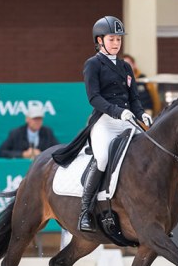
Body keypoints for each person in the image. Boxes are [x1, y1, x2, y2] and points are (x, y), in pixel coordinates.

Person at [52, 15, 153, 233]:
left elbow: (134, 97)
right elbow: (94, 98)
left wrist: (141, 114)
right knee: (103, 159)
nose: (116, 43)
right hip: (105, 122)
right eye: (112, 39)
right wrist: (118, 112)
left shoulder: (126, 67)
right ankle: (85, 211)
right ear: (100, 40)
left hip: (127, 119)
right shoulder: (93, 64)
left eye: (118, 39)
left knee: (145, 155)